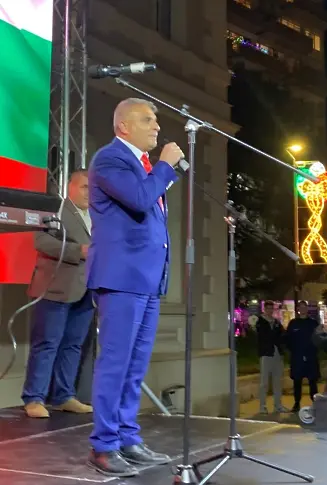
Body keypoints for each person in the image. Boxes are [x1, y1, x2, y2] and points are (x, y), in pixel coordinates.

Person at [86, 98, 184, 477]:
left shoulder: (143, 167)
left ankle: (128, 437)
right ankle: (104, 445)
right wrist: (165, 165)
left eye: (156, 119)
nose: (156, 126)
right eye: (147, 120)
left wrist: (162, 170)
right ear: (123, 126)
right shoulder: (110, 159)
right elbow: (141, 200)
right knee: (116, 363)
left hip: (147, 279)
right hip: (121, 278)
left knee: (135, 365)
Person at [22, 170, 95, 419]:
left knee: (73, 345)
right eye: (85, 187)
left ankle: (63, 396)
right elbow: (41, 241)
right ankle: (34, 398)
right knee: (46, 343)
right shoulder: (54, 209)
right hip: (54, 287)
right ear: (70, 186)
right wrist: (78, 251)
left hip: (87, 289)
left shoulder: (99, 215)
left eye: (93, 187)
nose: (90, 192)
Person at [286, 301, 320, 412]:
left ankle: (315, 404)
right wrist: (294, 352)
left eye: (304, 307)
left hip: (311, 358)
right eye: (300, 307)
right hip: (297, 358)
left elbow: (318, 340)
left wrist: (313, 352)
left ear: (307, 309)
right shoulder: (293, 323)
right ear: (298, 309)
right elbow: (288, 340)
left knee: (312, 382)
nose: (303, 309)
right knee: (297, 382)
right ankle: (296, 403)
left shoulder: (313, 323)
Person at [254, 301, 287, 414]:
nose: (270, 311)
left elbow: (282, 335)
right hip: (266, 354)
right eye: (268, 308)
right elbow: (262, 336)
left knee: (277, 381)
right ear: (264, 309)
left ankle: (278, 405)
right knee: (264, 382)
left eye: (271, 308)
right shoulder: (260, 322)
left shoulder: (276, 322)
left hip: (277, 354)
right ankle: (262, 406)